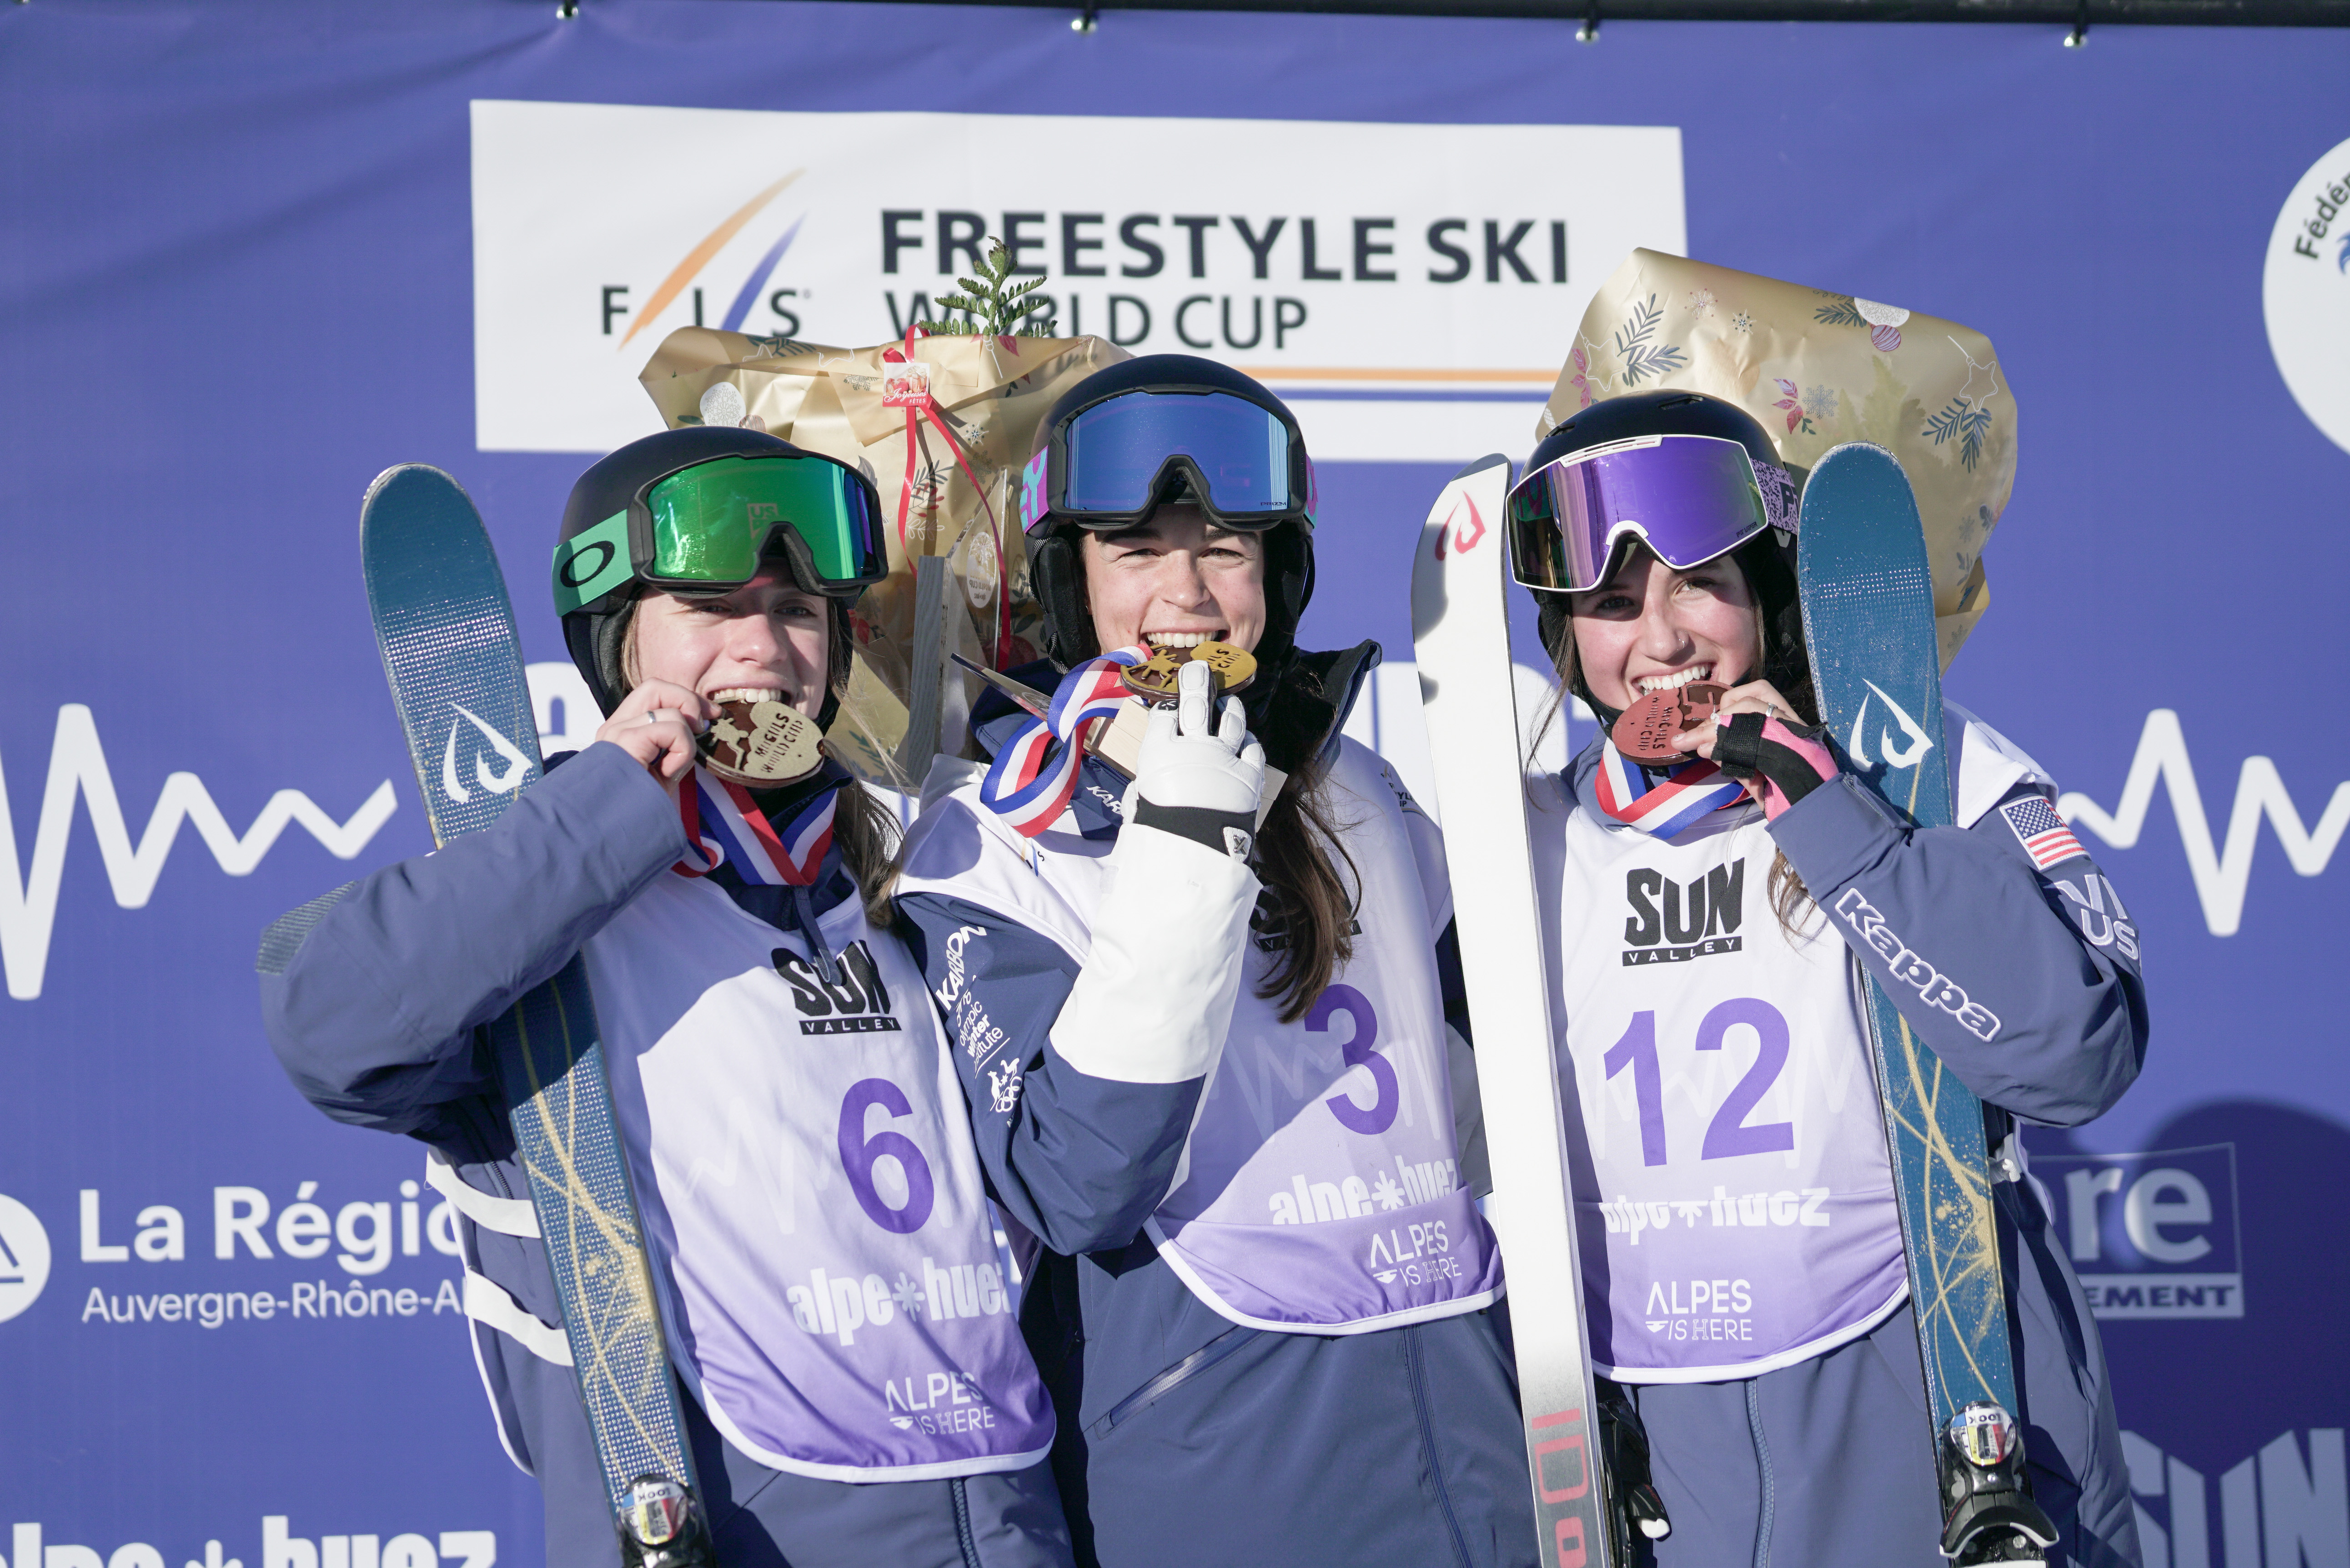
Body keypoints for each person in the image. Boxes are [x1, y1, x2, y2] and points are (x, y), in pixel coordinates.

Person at [259, 426, 1074, 1568]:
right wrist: (601, 812)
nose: (764, 645)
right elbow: (330, 1023)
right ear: (618, 641)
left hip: (1007, 1516)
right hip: (746, 1527)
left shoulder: (908, 877)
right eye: (708, 606)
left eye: (796, 610)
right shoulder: (542, 916)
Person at [890, 356, 1537, 1568]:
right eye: (1136, 549)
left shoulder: (1361, 791)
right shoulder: (990, 852)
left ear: (1279, 575)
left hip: (1467, 1457)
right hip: (1219, 1482)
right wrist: (1186, 838)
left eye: (1226, 549)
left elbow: (1499, 1083)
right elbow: (1081, 1187)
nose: (1186, 592)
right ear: (1070, 584)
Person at [1502, 389, 2146, 1566]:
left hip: (1917, 1396)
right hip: (1661, 1443)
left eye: (1701, 581)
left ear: (1769, 595)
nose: (1662, 641)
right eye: (1610, 603)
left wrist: (1834, 818)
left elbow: (2075, 1055)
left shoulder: (1927, 778)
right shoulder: (1515, 852)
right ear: (1563, 636)